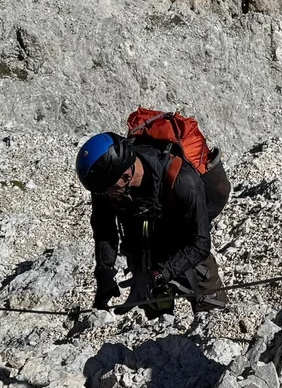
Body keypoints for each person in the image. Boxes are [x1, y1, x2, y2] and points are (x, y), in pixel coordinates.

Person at [75, 128, 229, 314]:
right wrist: (104, 272)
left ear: (126, 175)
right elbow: (104, 228)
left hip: (186, 248)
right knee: (155, 318)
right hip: (144, 250)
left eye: (109, 190)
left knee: (213, 314)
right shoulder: (105, 183)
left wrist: (157, 275)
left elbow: (200, 244)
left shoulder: (183, 182)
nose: (104, 195)